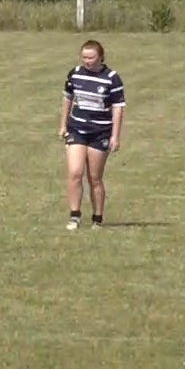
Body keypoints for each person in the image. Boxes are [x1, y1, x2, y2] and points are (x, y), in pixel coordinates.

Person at [59, 39, 126, 230]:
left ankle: (97, 218)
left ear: (101, 57)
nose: (87, 61)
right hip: (77, 129)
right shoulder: (75, 74)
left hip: (100, 133)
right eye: (84, 57)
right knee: (75, 173)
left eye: (91, 57)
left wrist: (115, 136)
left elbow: (118, 109)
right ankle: (75, 215)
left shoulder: (112, 78)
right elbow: (67, 98)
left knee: (94, 178)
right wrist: (63, 124)